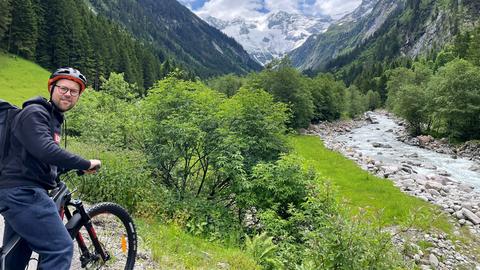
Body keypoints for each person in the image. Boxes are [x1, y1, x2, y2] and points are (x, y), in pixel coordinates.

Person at [0, 67, 101, 269]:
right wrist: (85, 163)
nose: (68, 94)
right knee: (60, 248)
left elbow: (37, 158)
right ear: (51, 88)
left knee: (16, 257)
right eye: (63, 88)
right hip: (23, 193)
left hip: (17, 191)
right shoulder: (35, 113)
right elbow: (45, 150)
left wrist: (61, 170)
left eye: (74, 91)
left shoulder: (52, 120)